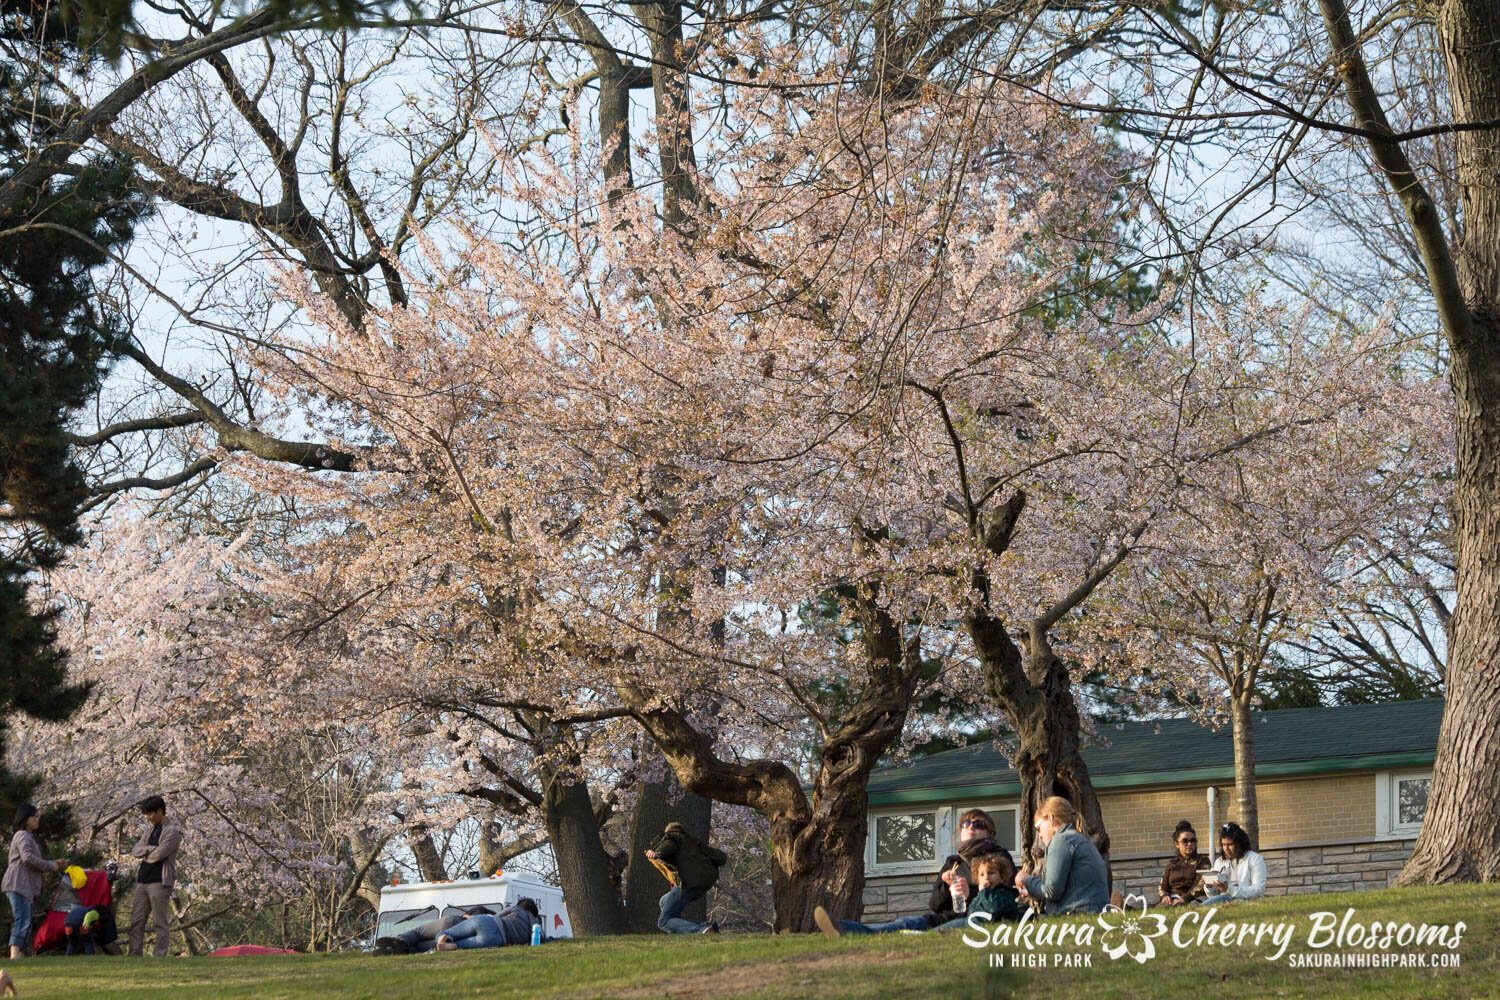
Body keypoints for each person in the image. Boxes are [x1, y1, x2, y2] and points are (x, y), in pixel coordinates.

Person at [814, 808, 1010, 937]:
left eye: (978, 824)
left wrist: (971, 894)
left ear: (990, 833)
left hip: (970, 920)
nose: (970, 828)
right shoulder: (953, 863)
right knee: (900, 923)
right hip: (941, 918)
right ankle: (843, 928)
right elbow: (934, 904)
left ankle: (845, 930)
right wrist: (945, 886)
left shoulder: (999, 859)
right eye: (966, 824)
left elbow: (1004, 898)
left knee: (914, 932)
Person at [1014, 796, 1111, 915]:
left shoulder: (1062, 840)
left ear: (1050, 818)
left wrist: (1026, 880)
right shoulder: (1081, 840)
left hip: (1076, 917)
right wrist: (1036, 891)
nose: (1039, 835)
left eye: (1038, 828)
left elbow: (1051, 891)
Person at [2, 804, 68, 959]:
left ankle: (20, 953)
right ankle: (15, 953)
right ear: (25, 819)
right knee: (22, 919)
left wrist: (53, 862)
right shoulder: (23, 835)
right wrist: (50, 865)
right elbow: (27, 858)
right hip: (18, 883)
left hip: (22, 884)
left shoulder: (26, 836)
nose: (37, 820)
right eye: (34, 817)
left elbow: (31, 858)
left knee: (25, 919)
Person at [644, 822, 725, 934]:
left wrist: (656, 853)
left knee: (663, 921)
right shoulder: (695, 842)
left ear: (668, 831)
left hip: (687, 883)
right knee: (664, 901)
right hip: (703, 885)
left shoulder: (672, 838)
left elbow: (666, 848)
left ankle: (703, 930)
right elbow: (721, 858)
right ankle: (677, 934)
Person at [127, 795, 182, 958]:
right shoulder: (149, 830)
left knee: (159, 922)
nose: (149, 818)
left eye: (151, 814)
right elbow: (136, 851)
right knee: (136, 921)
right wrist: (149, 849)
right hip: (142, 880)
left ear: (160, 811)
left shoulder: (171, 832)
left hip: (160, 881)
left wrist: (147, 851)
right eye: (146, 815)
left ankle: (159, 956)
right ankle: (134, 955)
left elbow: (157, 856)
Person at [935, 853, 1024, 931]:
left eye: (991, 873)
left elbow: (993, 907)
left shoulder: (1004, 893)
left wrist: (984, 891)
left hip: (989, 927)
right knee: (948, 927)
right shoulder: (980, 895)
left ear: (1001, 877)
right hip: (971, 926)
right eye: (982, 875)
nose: (986, 877)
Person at [375, 905, 498, 954]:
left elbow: (469, 917)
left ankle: (399, 941)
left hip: (452, 922)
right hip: (458, 937)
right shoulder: (491, 922)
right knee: (419, 947)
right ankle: (399, 951)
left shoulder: (480, 913)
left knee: (418, 933)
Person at [433, 900, 542, 951]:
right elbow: (543, 939)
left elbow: (496, 916)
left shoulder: (516, 909)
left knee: (447, 933)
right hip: (496, 939)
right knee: (459, 946)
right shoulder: (535, 927)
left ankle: (442, 939)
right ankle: (451, 946)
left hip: (486, 922)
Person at [1200, 822, 1267, 904]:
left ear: (1239, 844)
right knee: (1204, 906)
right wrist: (1209, 886)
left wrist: (1229, 889)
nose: (1226, 848)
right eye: (1224, 844)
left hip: (1246, 900)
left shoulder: (1254, 859)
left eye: (1230, 844)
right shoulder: (1220, 862)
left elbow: (1258, 890)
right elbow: (1213, 895)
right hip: (1223, 899)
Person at [1158, 820, 1209, 906]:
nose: (1189, 844)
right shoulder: (1172, 864)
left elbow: (1200, 885)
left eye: (1192, 841)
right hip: (1172, 899)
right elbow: (1162, 886)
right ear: (1176, 844)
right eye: (1185, 841)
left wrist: (1184, 899)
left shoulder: (1203, 860)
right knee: (1160, 908)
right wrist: (1165, 896)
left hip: (1193, 899)